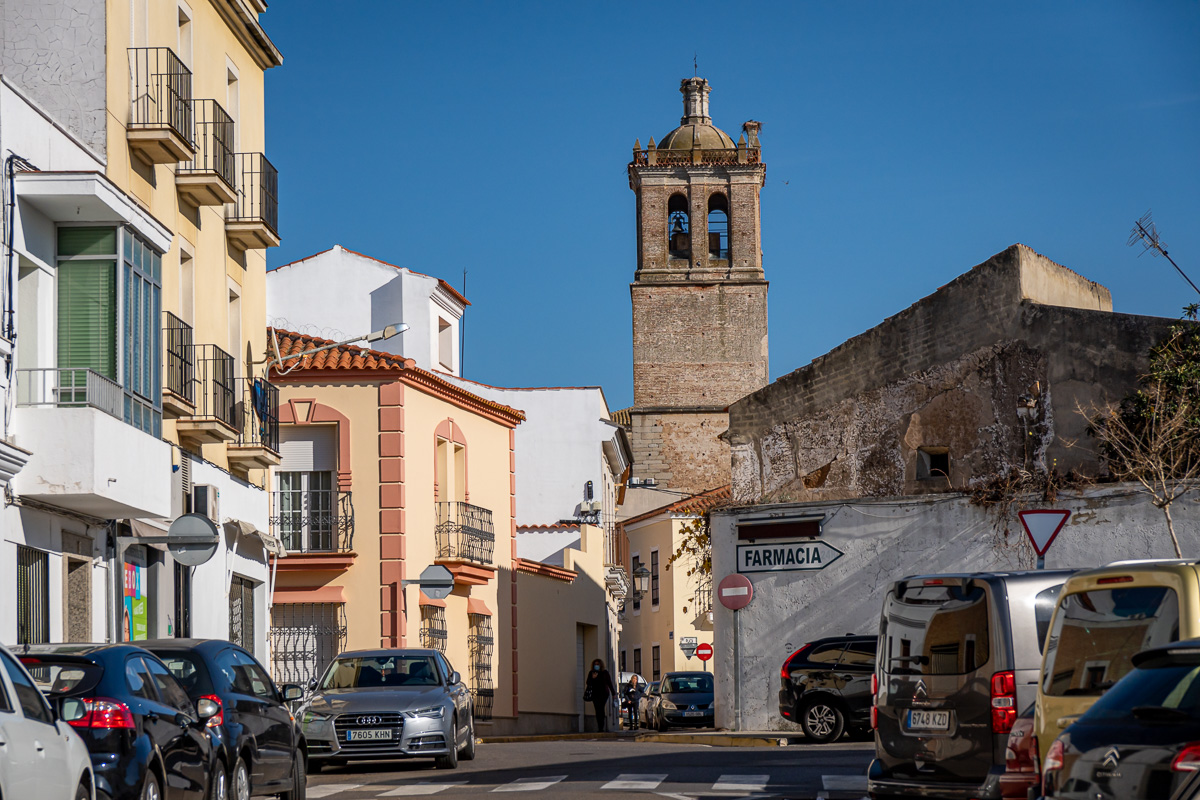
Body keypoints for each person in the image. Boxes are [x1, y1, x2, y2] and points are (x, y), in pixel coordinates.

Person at [584, 658, 618, 732]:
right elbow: (588, 683)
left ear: (600, 665)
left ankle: (601, 727)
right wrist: (593, 678)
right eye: (595, 664)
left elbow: (609, 683)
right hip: (595, 694)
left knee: (601, 709)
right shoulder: (591, 673)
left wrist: (613, 693)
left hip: (604, 694)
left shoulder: (605, 673)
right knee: (597, 710)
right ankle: (600, 727)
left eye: (598, 664)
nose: (596, 666)